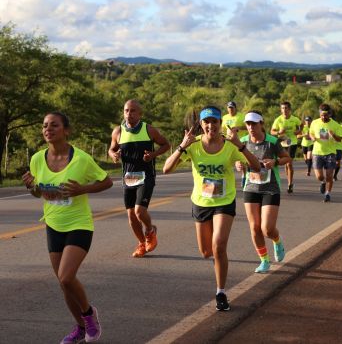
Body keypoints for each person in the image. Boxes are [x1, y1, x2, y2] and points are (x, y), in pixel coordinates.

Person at [22, 112, 113, 344]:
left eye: (54, 125)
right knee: (65, 285)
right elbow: (38, 193)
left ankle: (89, 315)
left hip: (79, 224)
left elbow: (106, 181)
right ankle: (80, 328)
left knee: (65, 277)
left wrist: (82, 189)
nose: (47, 129)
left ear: (66, 130)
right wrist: (31, 187)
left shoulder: (81, 159)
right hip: (53, 224)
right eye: (44, 126)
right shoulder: (36, 159)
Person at [163, 106, 260, 311]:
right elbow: (166, 168)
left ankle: (221, 292)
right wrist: (181, 146)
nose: (210, 126)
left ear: (220, 124)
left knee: (219, 245)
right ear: (201, 125)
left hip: (224, 202)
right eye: (206, 122)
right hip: (201, 202)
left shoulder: (230, 145)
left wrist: (241, 147)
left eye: (214, 122)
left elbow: (257, 166)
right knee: (206, 251)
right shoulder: (194, 145)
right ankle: (218, 264)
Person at [109, 100, 170, 258]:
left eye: (133, 111)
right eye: (126, 110)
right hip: (128, 177)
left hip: (146, 175)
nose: (129, 114)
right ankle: (142, 243)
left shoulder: (148, 129)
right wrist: (113, 155)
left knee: (139, 211)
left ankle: (150, 230)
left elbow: (166, 144)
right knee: (131, 215)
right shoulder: (118, 132)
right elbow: (112, 148)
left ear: (140, 114)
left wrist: (153, 155)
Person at [235, 111, 291, 273]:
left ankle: (277, 240)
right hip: (250, 188)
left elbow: (287, 158)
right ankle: (264, 261)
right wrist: (239, 164)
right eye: (248, 124)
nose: (250, 127)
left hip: (270, 188)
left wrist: (275, 161)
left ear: (261, 124)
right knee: (254, 227)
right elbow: (236, 158)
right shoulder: (243, 141)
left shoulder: (272, 142)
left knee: (267, 229)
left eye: (254, 123)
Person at [309, 104, 342, 202]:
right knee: (319, 176)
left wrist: (333, 135)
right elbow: (311, 132)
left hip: (330, 153)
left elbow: (340, 139)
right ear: (319, 114)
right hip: (317, 152)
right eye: (322, 115)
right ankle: (322, 182)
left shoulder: (335, 125)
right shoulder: (314, 123)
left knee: (330, 175)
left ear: (330, 114)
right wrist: (312, 137)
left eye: (325, 115)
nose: (323, 117)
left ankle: (328, 194)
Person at [270, 101, 302, 193]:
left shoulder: (294, 119)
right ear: (281, 110)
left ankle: (290, 184)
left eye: (286, 108)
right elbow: (272, 131)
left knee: (289, 163)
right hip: (282, 143)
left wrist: (298, 131)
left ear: (289, 109)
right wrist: (279, 133)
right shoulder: (278, 120)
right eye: (282, 108)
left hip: (292, 142)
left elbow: (301, 125)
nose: (284, 110)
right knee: (285, 164)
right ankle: (289, 181)